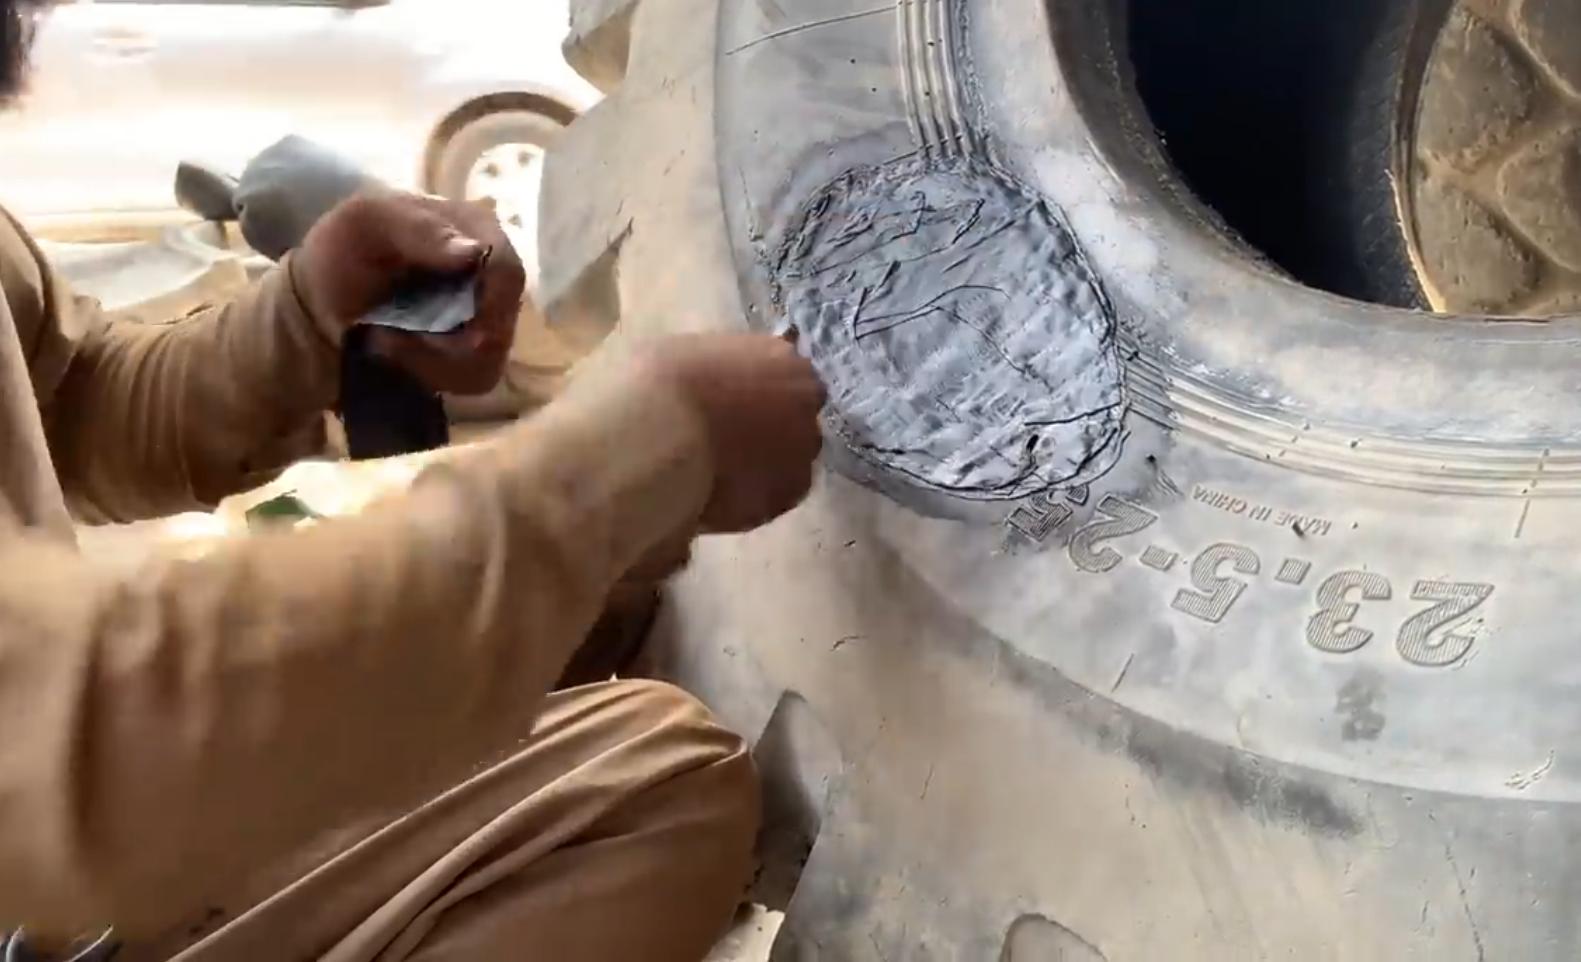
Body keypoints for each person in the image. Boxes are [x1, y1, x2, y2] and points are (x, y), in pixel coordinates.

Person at [0, 1, 828, 959]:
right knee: (644, 783)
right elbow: (76, 731)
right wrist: (611, 477)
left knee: (612, 706)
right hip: (65, 825)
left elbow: (68, 399)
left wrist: (304, 316)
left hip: (70, 848)